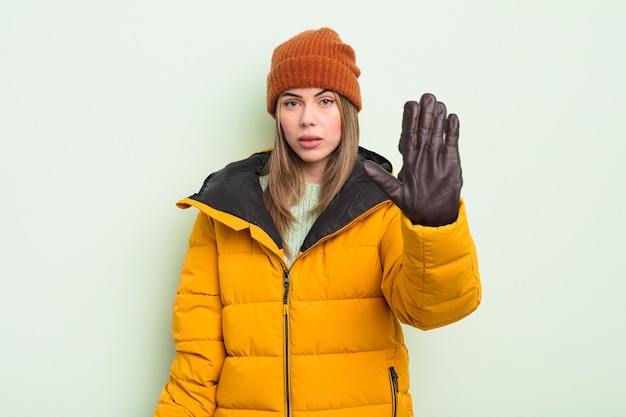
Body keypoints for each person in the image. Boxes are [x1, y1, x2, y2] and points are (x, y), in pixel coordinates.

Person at [154, 27, 481, 417]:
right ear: (277, 114)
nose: (308, 119)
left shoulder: (384, 207)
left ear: (346, 110)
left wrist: (433, 226)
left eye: (325, 101)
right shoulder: (225, 211)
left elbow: (430, 311)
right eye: (292, 103)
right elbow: (196, 366)